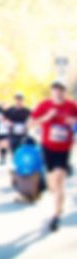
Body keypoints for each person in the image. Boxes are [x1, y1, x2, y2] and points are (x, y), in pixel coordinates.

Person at [30, 81, 77, 232]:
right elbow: (30, 124)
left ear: (65, 92)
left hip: (64, 149)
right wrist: (46, 117)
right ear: (51, 92)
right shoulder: (44, 105)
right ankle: (55, 199)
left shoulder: (72, 106)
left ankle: (56, 215)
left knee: (59, 180)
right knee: (52, 183)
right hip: (48, 147)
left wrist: (74, 122)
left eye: (61, 91)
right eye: (55, 91)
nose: (58, 93)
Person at [11, 137, 45, 203]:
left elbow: (15, 162)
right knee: (43, 170)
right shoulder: (37, 150)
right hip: (35, 175)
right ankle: (36, 193)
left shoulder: (19, 150)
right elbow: (41, 162)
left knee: (13, 171)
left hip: (20, 175)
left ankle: (22, 192)